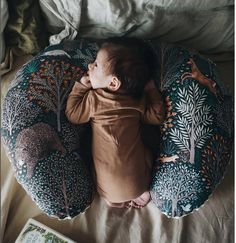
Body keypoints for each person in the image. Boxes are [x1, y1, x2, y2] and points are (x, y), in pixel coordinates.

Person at [66, 37, 165, 208]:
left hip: (106, 190)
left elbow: (72, 115)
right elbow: (157, 117)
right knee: (146, 145)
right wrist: (151, 91)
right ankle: (140, 191)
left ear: (113, 83)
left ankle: (110, 197)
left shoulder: (93, 100)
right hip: (141, 182)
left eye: (96, 64)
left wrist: (81, 87)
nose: (90, 66)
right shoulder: (138, 102)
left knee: (90, 154)